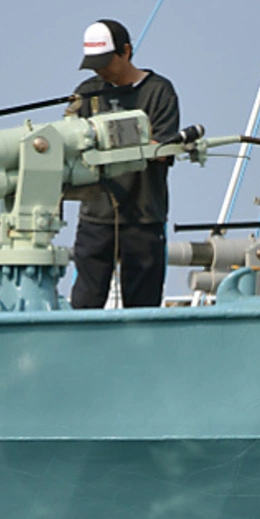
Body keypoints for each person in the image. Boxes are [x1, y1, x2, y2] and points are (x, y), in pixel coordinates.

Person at [67, 19, 180, 308]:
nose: (100, 70)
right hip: (96, 218)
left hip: (144, 217)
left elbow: (164, 149)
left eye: (106, 62)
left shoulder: (159, 91)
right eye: (94, 64)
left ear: (126, 51)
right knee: (84, 304)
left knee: (143, 307)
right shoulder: (87, 92)